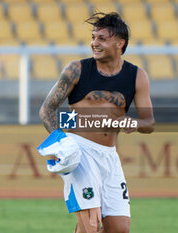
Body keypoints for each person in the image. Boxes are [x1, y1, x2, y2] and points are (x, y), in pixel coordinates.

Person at [39, 12, 155, 233]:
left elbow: (149, 122)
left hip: (109, 156)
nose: (94, 43)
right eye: (93, 37)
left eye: (101, 38)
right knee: (91, 225)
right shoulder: (76, 70)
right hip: (80, 152)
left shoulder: (137, 76)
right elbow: (46, 109)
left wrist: (133, 123)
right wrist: (62, 143)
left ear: (120, 43)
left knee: (119, 229)